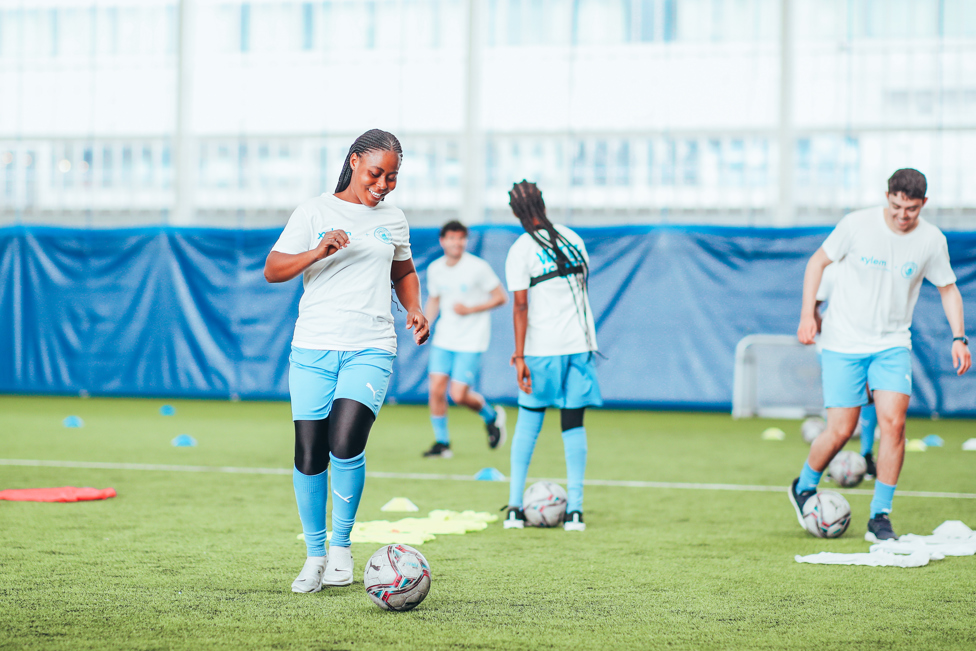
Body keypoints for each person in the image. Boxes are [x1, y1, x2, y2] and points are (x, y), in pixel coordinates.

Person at [264, 129, 429, 593]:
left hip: (371, 345)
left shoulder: (394, 219)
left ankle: (340, 547)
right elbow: (273, 269)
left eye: (392, 177)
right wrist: (318, 250)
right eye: (376, 173)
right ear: (354, 161)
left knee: (345, 441)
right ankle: (314, 556)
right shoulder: (314, 211)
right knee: (310, 454)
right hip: (313, 347)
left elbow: (404, 271)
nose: (383, 185)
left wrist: (414, 307)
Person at [790, 168, 970, 542]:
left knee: (895, 424)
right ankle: (804, 485)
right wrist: (808, 314)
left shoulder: (931, 240)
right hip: (843, 343)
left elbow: (949, 289)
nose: (903, 215)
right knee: (840, 430)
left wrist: (959, 337)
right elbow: (816, 264)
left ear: (924, 204)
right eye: (896, 206)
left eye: (912, 209)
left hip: (891, 344)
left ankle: (879, 517)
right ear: (887, 196)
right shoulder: (856, 225)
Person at [501, 180, 602, 532]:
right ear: (542, 203)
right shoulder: (574, 239)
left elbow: (521, 305)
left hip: (543, 349)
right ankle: (575, 511)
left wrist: (518, 355)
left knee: (529, 422)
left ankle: (515, 508)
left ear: (515, 212)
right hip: (581, 344)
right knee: (573, 424)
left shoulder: (521, 249)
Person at [422, 220, 508, 458]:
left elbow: (501, 297)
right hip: (444, 338)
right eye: (451, 238)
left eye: (460, 238)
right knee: (436, 390)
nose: (456, 242)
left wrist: (471, 309)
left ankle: (492, 417)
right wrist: (426, 324)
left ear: (465, 241)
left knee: (458, 395)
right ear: (443, 241)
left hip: (472, 340)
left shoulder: (478, 267)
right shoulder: (435, 269)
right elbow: (435, 299)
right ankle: (442, 444)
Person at [815, 266, 878, 479]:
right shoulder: (831, 269)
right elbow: (813, 305)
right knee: (838, 402)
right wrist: (821, 327)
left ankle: (866, 454)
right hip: (834, 348)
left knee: (871, 397)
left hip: (869, 344)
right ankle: (833, 457)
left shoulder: (875, 268)